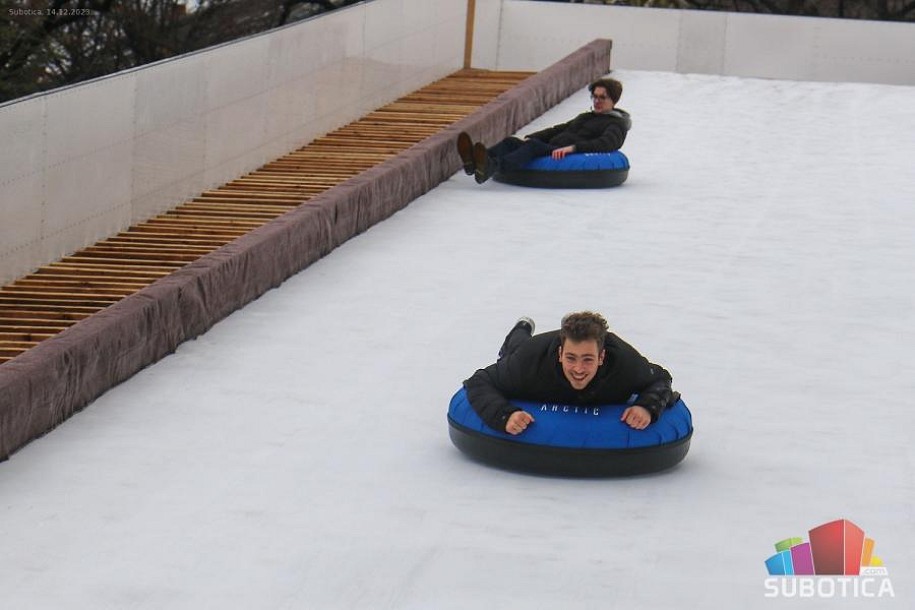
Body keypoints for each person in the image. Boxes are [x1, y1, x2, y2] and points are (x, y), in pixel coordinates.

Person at [463, 312, 679, 435]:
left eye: (588, 359)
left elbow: (660, 378)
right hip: (529, 350)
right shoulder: (530, 362)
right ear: (560, 354)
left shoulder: (624, 363)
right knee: (515, 349)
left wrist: (646, 407)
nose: (578, 369)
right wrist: (504, 415)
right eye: (571, 358)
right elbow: (478, 381)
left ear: (601, 357)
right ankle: (522, 327)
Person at [456, 77, 631, 184]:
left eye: (602, 98)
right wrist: (532, 136)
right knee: (511, 142)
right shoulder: (586, 116)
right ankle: (476, 162)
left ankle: (494, 167)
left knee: (533, 147)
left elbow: (606, 143)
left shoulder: (616, 124)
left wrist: (573, 148)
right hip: (554, 144)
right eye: (595, 97)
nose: (597, 101)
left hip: (564, 151)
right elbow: (559, 129)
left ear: (613, 100)